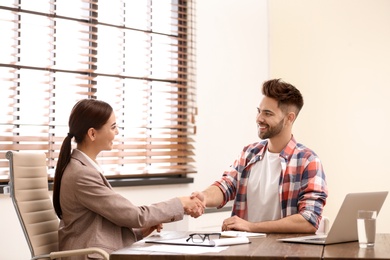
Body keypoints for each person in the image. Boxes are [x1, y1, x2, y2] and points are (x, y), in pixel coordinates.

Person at [52, 99, 204, 258]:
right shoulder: (82, 174)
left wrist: (140, 232)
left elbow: (100, 225)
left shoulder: (84, 168)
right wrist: (181, 203)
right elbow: (136, 216)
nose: (117, 132)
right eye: (113, 127)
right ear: (92, 133)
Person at [191, 78, 328, 234]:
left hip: (286, 252)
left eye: (267, 113)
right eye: (259, 111)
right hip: (245, 251)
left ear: (290, 118)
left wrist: (251, 227)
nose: (259, 118)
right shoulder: (249, 153)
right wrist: (204, 197)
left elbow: (309, 220)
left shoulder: (308, 161)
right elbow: (226, 186)